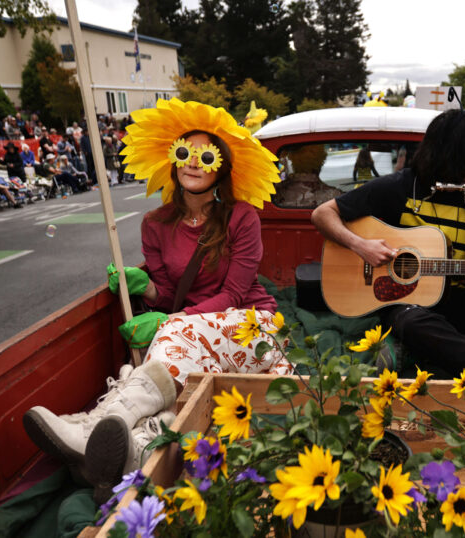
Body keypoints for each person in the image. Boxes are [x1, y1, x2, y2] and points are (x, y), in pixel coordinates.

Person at [22, 99, 289, 500]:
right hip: (189, 338)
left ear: (222, 166)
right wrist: (142, 287)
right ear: (172, 159)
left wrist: (168, 321)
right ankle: (130, 455)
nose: (192, 163)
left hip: (250, 326)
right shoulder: (155, 223)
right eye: (184, 153)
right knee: (175, 362)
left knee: (172, 336)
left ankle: (94, 424)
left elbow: (233, 294)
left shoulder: (242, 218)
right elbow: (166, 293)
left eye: (205, 155)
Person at [311, 108, 465, 384]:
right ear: (450, 155)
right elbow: (322, 214)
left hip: (458, 300)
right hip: (405, 303)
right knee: (412, 323)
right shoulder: (399, 187)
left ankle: (421, 352)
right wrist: (360, 245)